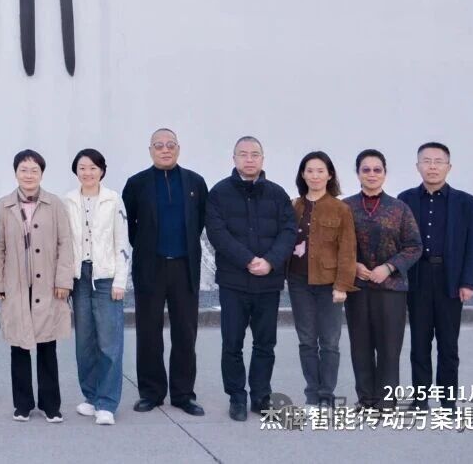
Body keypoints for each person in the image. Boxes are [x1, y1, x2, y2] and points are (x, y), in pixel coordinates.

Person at [205, 136, 297, 422]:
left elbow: (288, 232)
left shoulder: (277, 194)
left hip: (268, 283)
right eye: (243, 154)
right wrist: (247, 260)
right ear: (234, 158)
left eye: (254, 154)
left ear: (262, 158)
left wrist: (270, 261)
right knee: (232, 343)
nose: (249, 159)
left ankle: (260, 396)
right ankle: (236, 396)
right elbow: (217, 233)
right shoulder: (219, 193)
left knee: (265, 343)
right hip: (233, 282)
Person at [120, 128, 208, 415]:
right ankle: (151, 392)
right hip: (150, 266)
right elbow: (129, 226)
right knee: (148, 332)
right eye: (159, 145)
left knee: (186, 332)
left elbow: (199, 221)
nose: (165, 149)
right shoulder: (137, 184)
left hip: (184, 266)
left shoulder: (195, 182)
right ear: (150, 150)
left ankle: (183, 394)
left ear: (178, 149)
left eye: (170, 145)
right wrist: (147, 247)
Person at [0, 149, 74, 423]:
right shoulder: (4, 206)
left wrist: (63, 280)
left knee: (47, 345)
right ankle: (23, 404)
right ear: (16, 173)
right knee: (19, 346)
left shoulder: (55, 204)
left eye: (34, 170)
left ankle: (51, 405)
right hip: (16, 285)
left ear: (41, 174)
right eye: (23, 170)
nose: (29, 175)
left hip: (48, 285)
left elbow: (65, 243)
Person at [398, 141, 473, 412]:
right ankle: (420, 399)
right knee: (419, 343)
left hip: (450, 279)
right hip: (417, 277)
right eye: (426, 161)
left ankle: (448, 401)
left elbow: (472, 244)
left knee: (448, 344)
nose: (432, 167)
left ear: (448, 167)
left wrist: (468, 281)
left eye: (438, 161)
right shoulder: (405, 199)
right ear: (418, 166)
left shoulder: (465, 202)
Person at [344, 148, 422, 411]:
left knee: (389, 348)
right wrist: (353, 266)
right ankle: (366, 399)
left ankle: (387, 401)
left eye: (377, 169)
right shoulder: (346, 207)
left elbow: (414, 246)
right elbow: (336, 245)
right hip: (357, 287)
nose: (372, 174)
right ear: (358, 173)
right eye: (366, 169)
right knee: (361, 346)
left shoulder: (399, 208)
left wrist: (389, 268)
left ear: (385, 173)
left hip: (391, 288)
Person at [63, 148, 129, 426]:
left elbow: (122, 242)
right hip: (79, 277)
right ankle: (90, 397)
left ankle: (107, 402)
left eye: (92, 167)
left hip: (105, 277)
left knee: (109, 342)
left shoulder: (113, 199)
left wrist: (120, 280)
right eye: (82, 167)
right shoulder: (68, 200)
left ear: (102, 170)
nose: (87, 172)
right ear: (76, 171)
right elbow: (63, 242)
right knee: (85, 342)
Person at [287, 151, 357, 410]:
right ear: (302, 175)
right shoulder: (294, 206)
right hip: (298, 281)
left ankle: (326, 393)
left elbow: (347, 250)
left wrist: (342, 285)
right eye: (309, 171)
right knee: (306, 340)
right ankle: (312, 393)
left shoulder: (341, 209)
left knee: (329, 342)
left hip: (329, 283)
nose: (314, 176)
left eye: (320, 171)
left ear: (329, 175)